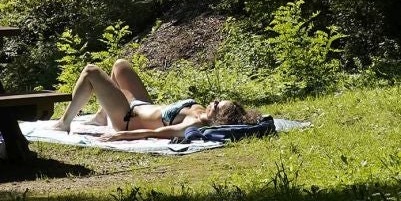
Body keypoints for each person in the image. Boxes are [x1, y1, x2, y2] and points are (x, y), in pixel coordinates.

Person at [51, 57, 256, 141]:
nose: (215, 100)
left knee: (91, 72)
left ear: (218, 117)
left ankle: (64, 122)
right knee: (120, 65)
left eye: (218, 105)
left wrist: (120, 136)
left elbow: (155, 132)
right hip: (141, 104)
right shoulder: (201, 110)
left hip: (127, 118)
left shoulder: (191, 124)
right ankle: (101, 116)